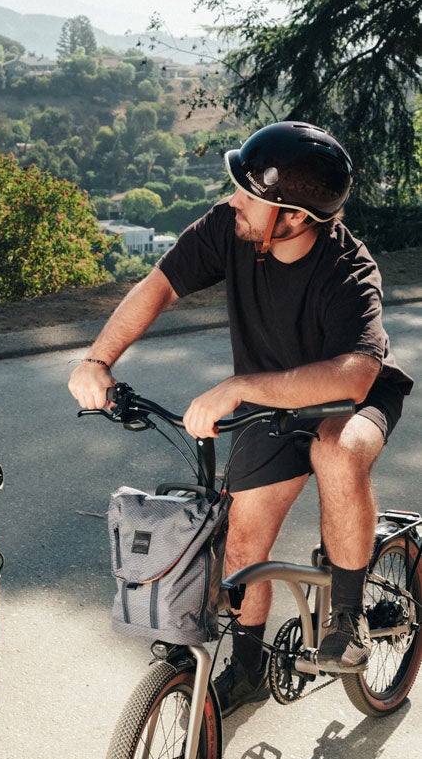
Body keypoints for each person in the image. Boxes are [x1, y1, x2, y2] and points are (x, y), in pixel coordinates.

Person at [69, 121, 413, 716]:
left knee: (336, 451)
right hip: (270, 407)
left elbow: (355, 375)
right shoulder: (230, 228)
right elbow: (157, 287)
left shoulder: (348, 270)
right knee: (242, 541)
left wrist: (239, 385)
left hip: (351, 402)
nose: (233, 200)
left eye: (251, 194)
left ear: (294, 217)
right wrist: (98, 360)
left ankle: (351, 621)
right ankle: (250, 667)